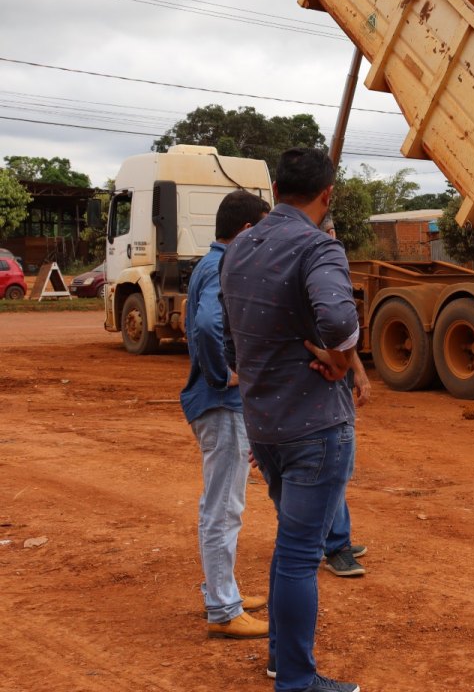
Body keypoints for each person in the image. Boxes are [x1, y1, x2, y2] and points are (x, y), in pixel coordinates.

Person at [222, 148, 362, 692]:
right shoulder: (317, 247)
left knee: (291, 547)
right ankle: (297, 681)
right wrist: (342, 359)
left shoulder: (240, 248)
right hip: (316, 429)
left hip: (264, 426)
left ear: (276, 189)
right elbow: (337, 318)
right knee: (301, 555)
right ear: (327, 196)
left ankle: (283, 662)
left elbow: (231, 344)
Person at [180, 189, 271, 639]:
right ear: (248, 231)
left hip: (210, 401)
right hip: (219, 403)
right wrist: (224, 375)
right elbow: (206, 325)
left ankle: (223, 589)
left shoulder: (206, 264)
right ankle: (222, 607)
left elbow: (189, 320)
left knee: (220, 503)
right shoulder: (223, 266)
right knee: (224, 507)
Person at [319, 213, 368, 578]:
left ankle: (338, 537)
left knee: (341, 466)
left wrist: (361, 376)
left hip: (336, 385)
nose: (334, 237)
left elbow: (347, 336)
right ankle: (334, 546)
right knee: (331, 465)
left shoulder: (334, 270)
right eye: (328, 231)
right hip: (318, 385)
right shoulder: (314, 272)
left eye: (336, 230)